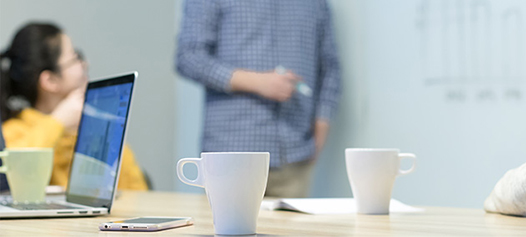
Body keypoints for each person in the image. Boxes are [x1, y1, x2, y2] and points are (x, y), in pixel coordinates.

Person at [176, 0, 341, 197]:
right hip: (231, 154)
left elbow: (330, 67)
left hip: (295, 155)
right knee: (228, 228)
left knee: (292, 228)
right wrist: (258, 82)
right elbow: (189, 57)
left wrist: (320, 131)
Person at [0, 23, 147, 191]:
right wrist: (57, 122)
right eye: (76, 57)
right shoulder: (14, 132)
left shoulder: (94, 124)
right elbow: (11, 174)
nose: (85, 63)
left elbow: (137, 190)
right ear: (50, 81)